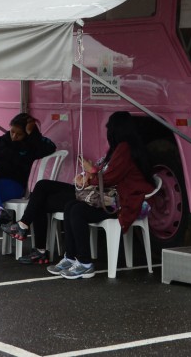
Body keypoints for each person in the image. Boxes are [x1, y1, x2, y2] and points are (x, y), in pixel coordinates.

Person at [50, 111, 155, 279]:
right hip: (118, 199)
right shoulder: (127, 147)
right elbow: (109, 175)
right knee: (70, 206)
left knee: (77, 211)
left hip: (124, 204)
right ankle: (70, 257)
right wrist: (92, 175)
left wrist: (88, 180)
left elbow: (110, 177)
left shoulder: (124, 149)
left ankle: (85, 263)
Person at [0, 112, 56, 261]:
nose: (14, 136)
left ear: (27, 134)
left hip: (12, 185)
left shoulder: (31, 146)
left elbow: (50, 147)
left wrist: (33, 132)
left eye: (19, 134)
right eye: (12, 132)